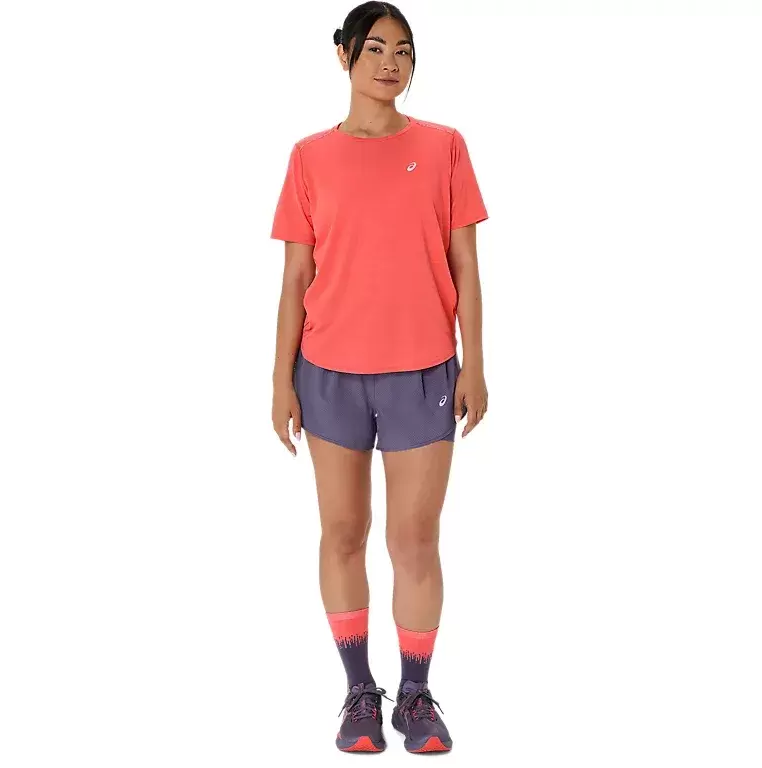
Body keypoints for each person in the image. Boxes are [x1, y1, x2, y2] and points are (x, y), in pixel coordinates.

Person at [270, 1, 489, 755]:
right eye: (375, 49)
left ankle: (416, 695)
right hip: (328, 373)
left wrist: (475, 364)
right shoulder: (308, 157)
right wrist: (280, 380)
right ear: (344, 56)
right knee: (342, 533)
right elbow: (296, 277)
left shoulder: (444, 147)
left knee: (414, 539)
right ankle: (359, 692)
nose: (392, 63)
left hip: (423, 372)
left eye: (404, 50)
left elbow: (466, 265)